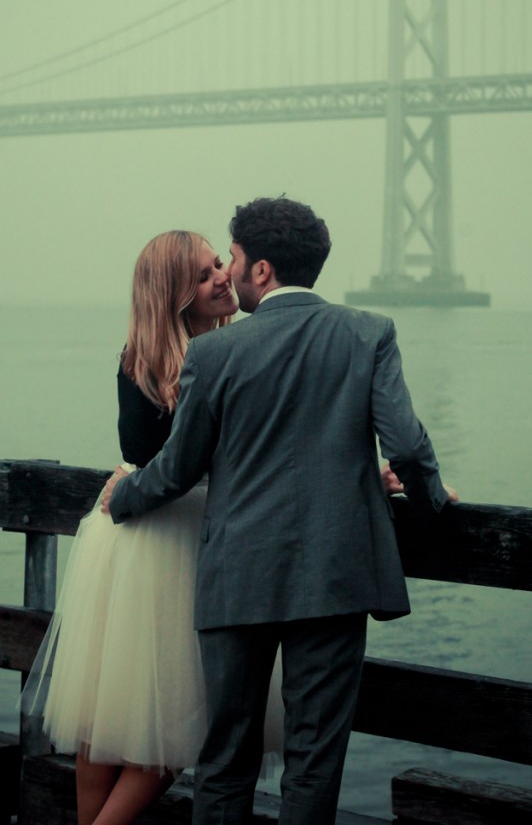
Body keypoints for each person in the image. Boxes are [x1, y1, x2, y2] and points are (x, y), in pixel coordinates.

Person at [103, 197, 459, 825]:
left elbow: (179, 467)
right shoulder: (369, 332)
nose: (227, 272)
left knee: (225, 757)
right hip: (336, 575)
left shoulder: (213, 355)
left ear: (261, 271)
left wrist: (123, 498)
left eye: (232, 259)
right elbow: (406, 443)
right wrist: (433, 501)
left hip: (237, 575)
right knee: (314, 760)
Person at [22, 229, 284, 825]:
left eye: (220, 263)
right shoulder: (163, 363)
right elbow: (173, 459)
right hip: (162, 547)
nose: (222, 275)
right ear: (172, 294)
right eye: (202, 273)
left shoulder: (153, 358)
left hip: (142, 534)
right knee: (174, 723)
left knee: (116, 718)